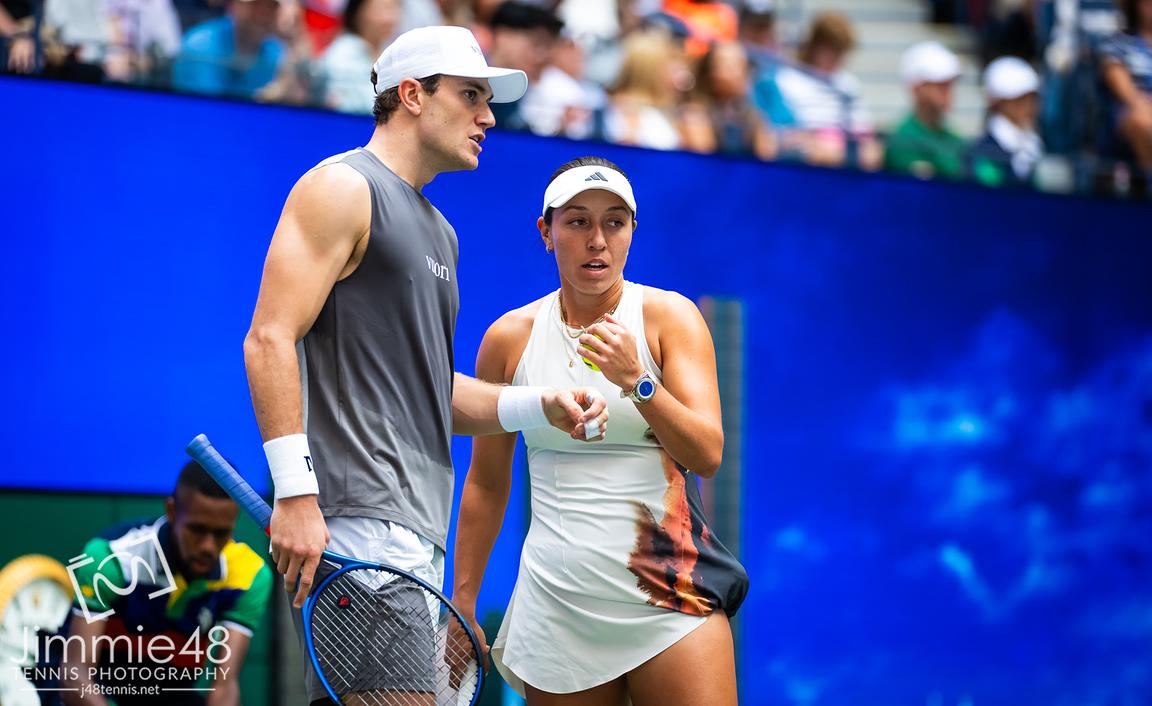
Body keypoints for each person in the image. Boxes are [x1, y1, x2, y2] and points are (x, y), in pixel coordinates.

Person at [241, 25, 608, 704]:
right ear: (411, 95)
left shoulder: (443, 233)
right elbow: (268, 338)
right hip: (359, 531)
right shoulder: (341, 187)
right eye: (471, 95)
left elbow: (433, 394)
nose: (488, 116)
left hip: (413, 540)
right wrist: (294, 493)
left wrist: (537, 403)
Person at [453, 156, 749, 705]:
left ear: (633, 232)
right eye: (578, 221)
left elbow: (707, 453)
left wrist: (639, 381)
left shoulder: (671, 318)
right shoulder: (508, 339)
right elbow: (487, 483)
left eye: (614, 222)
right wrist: (463, 602)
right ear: (547, 232)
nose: (598, 239)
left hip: (671, 593)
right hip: (559, 601)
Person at [59, 461, 272, 706]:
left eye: (221, 533)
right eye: (196, 529)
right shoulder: (110, 559)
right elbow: (75, 676)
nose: (208, 546)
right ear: (171, 511)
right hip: (99, 689)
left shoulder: (250, 576)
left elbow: (224, 687)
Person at [884, 40, 968, 180]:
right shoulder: (901, 139)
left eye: (950, 84)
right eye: (940, 84)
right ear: (916, 88)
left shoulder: (957, 140)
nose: (948, 91)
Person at [172, 0, 287, 99]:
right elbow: (205, 111)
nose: (263, 14)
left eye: (271, 7)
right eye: (256, 5)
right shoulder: (198, 47)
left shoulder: (276, 53)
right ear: (234, 5)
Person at [312, 0, 403, 113]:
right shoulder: (342, 56)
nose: (390, 19)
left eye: (395, 7)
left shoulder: (392, 53)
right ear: (358, 12)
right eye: (380, 9)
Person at [969, 55, 1045, 187]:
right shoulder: (982, 152)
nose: (1028, 106)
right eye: (1018, 100)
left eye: (1031, 98)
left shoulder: (1035, 145)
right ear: (998, 103)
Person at [1099, 0, 1152, 173]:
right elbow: (1117, 79)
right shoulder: (1118, 43)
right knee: (1141, 120)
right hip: (1129, 115)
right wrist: (1141, 104)